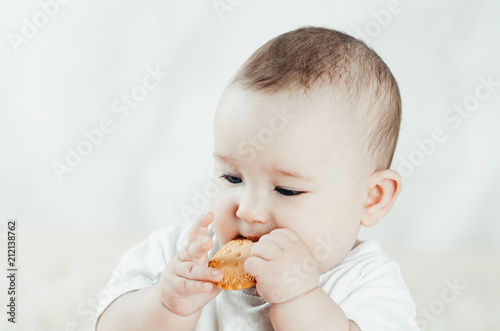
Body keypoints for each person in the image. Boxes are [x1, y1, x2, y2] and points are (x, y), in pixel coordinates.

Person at [95, 26, 418, 330]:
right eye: (232, 178)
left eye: (286, 190)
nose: (247, 210)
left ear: (372, 198)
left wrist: (299, 299)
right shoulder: (179, 255)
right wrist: (166, 304)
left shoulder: (368, 283)